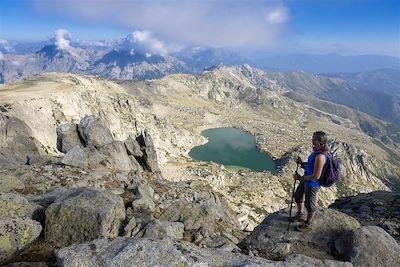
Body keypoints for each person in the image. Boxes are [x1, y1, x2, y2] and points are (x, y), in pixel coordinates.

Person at [292, 131, 329, 232]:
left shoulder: (321, 156)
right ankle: (300, 214)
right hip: (306, 179)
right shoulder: (316, 152)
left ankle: (308, 223)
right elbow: (312, 165)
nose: (311, 139)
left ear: (317, 141)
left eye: (313, 138)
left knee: (310, 204)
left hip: (312, 183)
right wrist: (301, 163)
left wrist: (301, 178)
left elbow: (316, 176)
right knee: (298, 195)